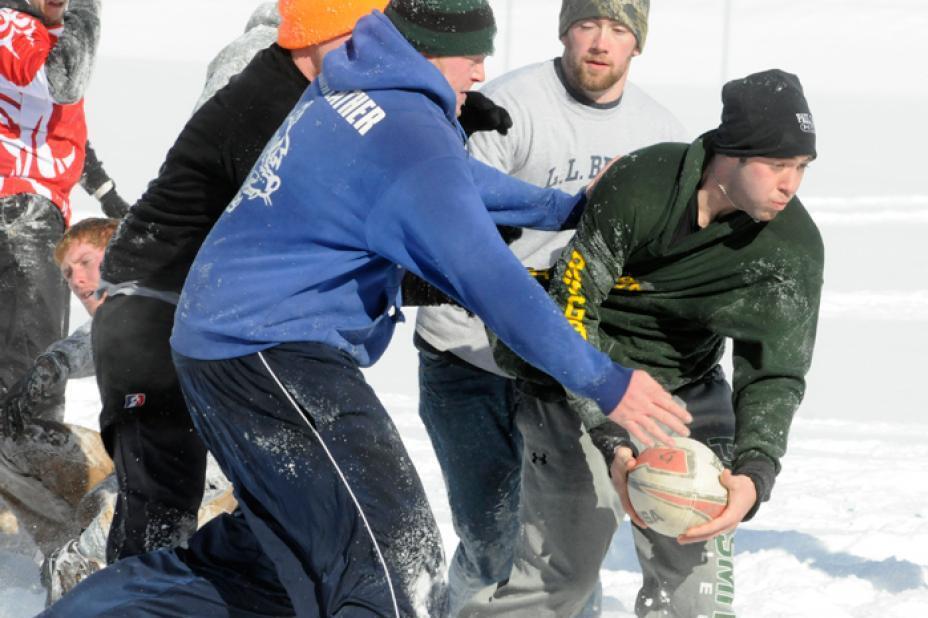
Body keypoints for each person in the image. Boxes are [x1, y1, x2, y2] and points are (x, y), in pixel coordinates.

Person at [43, 1, 689, 615]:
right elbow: (493, 282)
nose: (481, 72)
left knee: (273, 563)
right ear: (429, 53)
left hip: (232, 338)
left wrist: (566, 209)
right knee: (392, 555)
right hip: (263, 348)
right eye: (471, 56)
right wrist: (606, 382)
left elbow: (454, 182)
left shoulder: (364, 92)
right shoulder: (402, 129)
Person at [478, 69, 823, 617]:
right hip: (577, 377)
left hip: (684, 386)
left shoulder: (791, 249)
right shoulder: (642, 184)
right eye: (776, 166)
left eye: (801, 168)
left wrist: (756, 473)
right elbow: (571, 310)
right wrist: (611, 434)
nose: (791, 185)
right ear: (727, 155)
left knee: (696, 603)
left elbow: (776, 373)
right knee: (560, 581)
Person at [90, 0, 391, 564]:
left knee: (240, 496)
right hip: (152, 305)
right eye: (360, 37)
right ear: (317, 32)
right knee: (161, 500)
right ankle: (103, 583)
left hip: (211, 314)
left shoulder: (322, 85)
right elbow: (280, 199)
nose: (374, 53)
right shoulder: (257, 78)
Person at [413, 1, 686, 613]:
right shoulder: (505, 107)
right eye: (588, 24)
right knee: (491, 536)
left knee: (568, 542)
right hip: (468, 353)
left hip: (567, 359)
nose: (600, 42)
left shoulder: (659, 133)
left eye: (618, 30)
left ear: (637, 44)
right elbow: (456, 224)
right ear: (565, 30)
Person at [0, 218, 235, 605]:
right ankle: (63, 549)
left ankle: (87, 565)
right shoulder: (112, 324)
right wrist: (51, 365)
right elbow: (93, 336)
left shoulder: (181, 306)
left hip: (201, 483)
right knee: (8, 440)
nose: (76, 281)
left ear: (120, 256)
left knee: (106, 532)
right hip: (132, 469)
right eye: (68, 272)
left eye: (86, 263)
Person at [0, 0, 105, 396]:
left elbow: (59, 129)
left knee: (25, 376)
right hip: (17, 213)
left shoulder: (45, 33)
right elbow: (62, 80)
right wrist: (87, 9)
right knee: (29, 383)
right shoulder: (8, 23)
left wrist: (107, 193)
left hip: (31, 208)